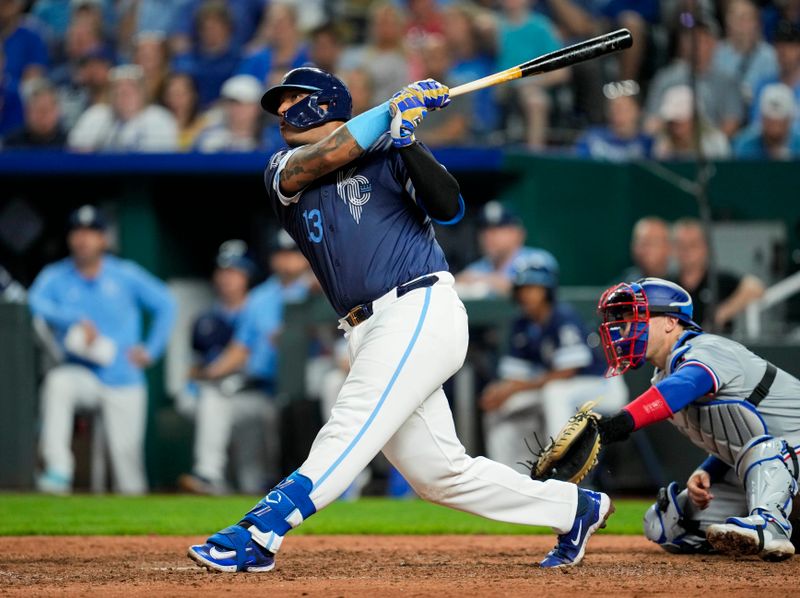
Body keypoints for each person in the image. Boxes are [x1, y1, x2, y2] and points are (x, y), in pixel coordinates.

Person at [187, 66, 612, 573]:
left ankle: (261, 531)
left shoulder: (388, 150)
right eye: (278, 104)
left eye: (291, 100)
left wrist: (406, 137)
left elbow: (449, 206)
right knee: (439, 474)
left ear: (324, 104)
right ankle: (574, 509)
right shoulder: (283, 167)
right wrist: (391, 111)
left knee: (351, 420)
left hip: (418, 308)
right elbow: (329, 154)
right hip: (364, 328)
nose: (281, 112)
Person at [593, 277, 800, 560]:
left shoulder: (706, 348)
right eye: (624, 319)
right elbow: (744, 433)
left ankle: (770, 528)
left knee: (767, 450)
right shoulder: (664, 377)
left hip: (786, 451)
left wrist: (618, 423)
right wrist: (709, 471)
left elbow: (685, 386)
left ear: (669, 322)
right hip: (783, 462)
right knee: (667, 523)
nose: (627, 327)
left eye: (636, 316)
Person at [28, 205, 176, 494]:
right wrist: (72, 318)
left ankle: (140, 536)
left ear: (103, 239)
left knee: (127, 467)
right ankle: (59, 468)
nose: (83, 239)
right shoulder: (56, 276)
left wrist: (151, 349)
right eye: (78, 232)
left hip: (123, 376)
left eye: (91, 233)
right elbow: (33, 302)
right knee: (58, 383)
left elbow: (166, 303)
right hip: (82, 372)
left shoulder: (124, 274)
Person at [481, 255, 628, 471]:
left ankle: (561, 467)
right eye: (523, 288)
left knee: (554, 392)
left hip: (602, 388)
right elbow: (515, 376)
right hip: (561, 391)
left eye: (534, 287)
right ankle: (510, 478)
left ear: (547, 290)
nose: (527, 294)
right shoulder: (522, 324)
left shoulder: (563, 317)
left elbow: (567, 371)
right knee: (503, 406)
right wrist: (501, 390)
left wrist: (513, 387)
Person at [179, 240, 281, 495]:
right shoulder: (206, 319)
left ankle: (215, 478)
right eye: (223, 271)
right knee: (213, 399)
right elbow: (195, 369)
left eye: (235, 271)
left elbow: (246, 356)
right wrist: (204, 376)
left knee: (252, 474)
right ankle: (210, 476)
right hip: (223, 395)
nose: (227, 278)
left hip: (259, 393)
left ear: (248, 276)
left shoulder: (261, 306)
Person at [644, 16, 744, 138]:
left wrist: (710, 144)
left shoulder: (727, 81)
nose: (696, 46)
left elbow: (732, 122)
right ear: (683, 44)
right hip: (671, 149)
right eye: (690, 40)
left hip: (712, 150)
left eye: (702, 40)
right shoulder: (666, 78)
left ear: (714, 44)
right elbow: (651, 123)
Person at [496, 0, 568, 149]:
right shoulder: (493, 27)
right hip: (498, 85)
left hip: (531, 84)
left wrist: (530, 82)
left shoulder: (542, 27)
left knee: (536, 101)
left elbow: (562, 72)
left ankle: (535, 154)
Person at [671, 218, 764, 332]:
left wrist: (723, 312)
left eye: (693, 245)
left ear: (705, 248)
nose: (686, 250)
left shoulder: (718, 280)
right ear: (673, 249)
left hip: (717, 346)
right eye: (681, 245)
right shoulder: (669, 284)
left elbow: (755, 287)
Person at [68, 63, 178, 152]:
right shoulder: (96, 115)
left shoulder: (159, 118)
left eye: (131, 87)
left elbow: (161, 161)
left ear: (143, 93)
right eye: (117, 88)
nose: (124, 92)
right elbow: (76, 152)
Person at [456, 201, 552, 298]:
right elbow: (456, 283)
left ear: (518, 234)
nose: (488, 235)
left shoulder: (537, 259)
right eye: (484, 229)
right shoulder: (477, 267)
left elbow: (531, 292)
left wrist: (482, 281)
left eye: (498, 229)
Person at [171, 0, 240, 108]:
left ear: (228, 29)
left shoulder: (238, 61)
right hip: (189, 114)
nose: (211, 32)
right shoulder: (185, 60)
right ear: (199, 30)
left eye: (216, 27)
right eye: (206, 28)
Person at [712, 0, 779, 106]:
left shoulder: (771, 57)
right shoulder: (715, 53)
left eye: (748, 18)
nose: (743, 25)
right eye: (738, 18)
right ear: (728, 23)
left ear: (757, 23)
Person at [575, 80, 653, 161]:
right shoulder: (592, 139)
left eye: (623, 109)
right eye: (613, 109)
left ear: (637, 111)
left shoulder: (648, 143)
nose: (617, 115)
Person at [652, 85, 731, 160]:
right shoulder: (661, 144)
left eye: (680, 121)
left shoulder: (715, 143)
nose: (675, 126)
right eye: (672, 122)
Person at [193, 74, 264, 152]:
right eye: (232, 103)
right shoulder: (209, 140)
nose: (237, 110)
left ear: (257, 108)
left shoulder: (270, 140)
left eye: (244, 104)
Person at [749, 20, 800, 128]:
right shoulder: (763, 85)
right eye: (779, 46)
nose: (784, 52)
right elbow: (756, 125)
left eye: (790, 46)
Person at [733, 82, 800, 158]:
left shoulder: (798, 145)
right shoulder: (745, 145)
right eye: (770, 121)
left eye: (779, 121)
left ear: (789, 120)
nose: (774, 127)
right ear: (762, 119)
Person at [3, 77, 67, 148]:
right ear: (27, 111)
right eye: (37, 110)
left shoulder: (68, 143)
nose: (42, 116)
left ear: (57, 111)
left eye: (46, 110)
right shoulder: (11, 143)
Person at [1, 0, 49, 82]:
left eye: (8, 3)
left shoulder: (32, 37)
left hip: (16, 92)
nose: (3, 9)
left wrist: (6, 83)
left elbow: (35, 81)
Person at [160, 71, 206, 150]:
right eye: (171, 93)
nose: (176, 99)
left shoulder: (207, 125)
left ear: (194, 95)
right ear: (164, 97)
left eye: (182, 93)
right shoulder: (155, 125)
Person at [620, 216, 672, 281]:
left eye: (652, 242)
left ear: (668, 247)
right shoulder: (626, 282)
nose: (645, 249)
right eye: (640, 243)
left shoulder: (683, 285)